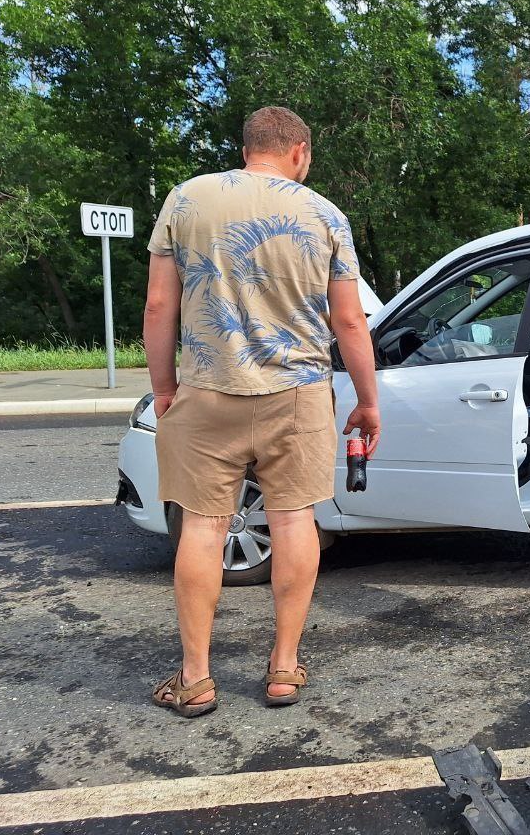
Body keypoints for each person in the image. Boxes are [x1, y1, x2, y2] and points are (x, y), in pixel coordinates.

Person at [143, 106, 380, 717]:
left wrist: (164, 389)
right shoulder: (325, 215)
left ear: (249, 147)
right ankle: (282, 668)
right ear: (298, 151)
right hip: (296, 395)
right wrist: (369, 401)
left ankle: (196, 677)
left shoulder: (186, 201)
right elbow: (349, 320)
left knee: (200, 526)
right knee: (295, 519)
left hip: (206, 389)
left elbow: (157, 306)